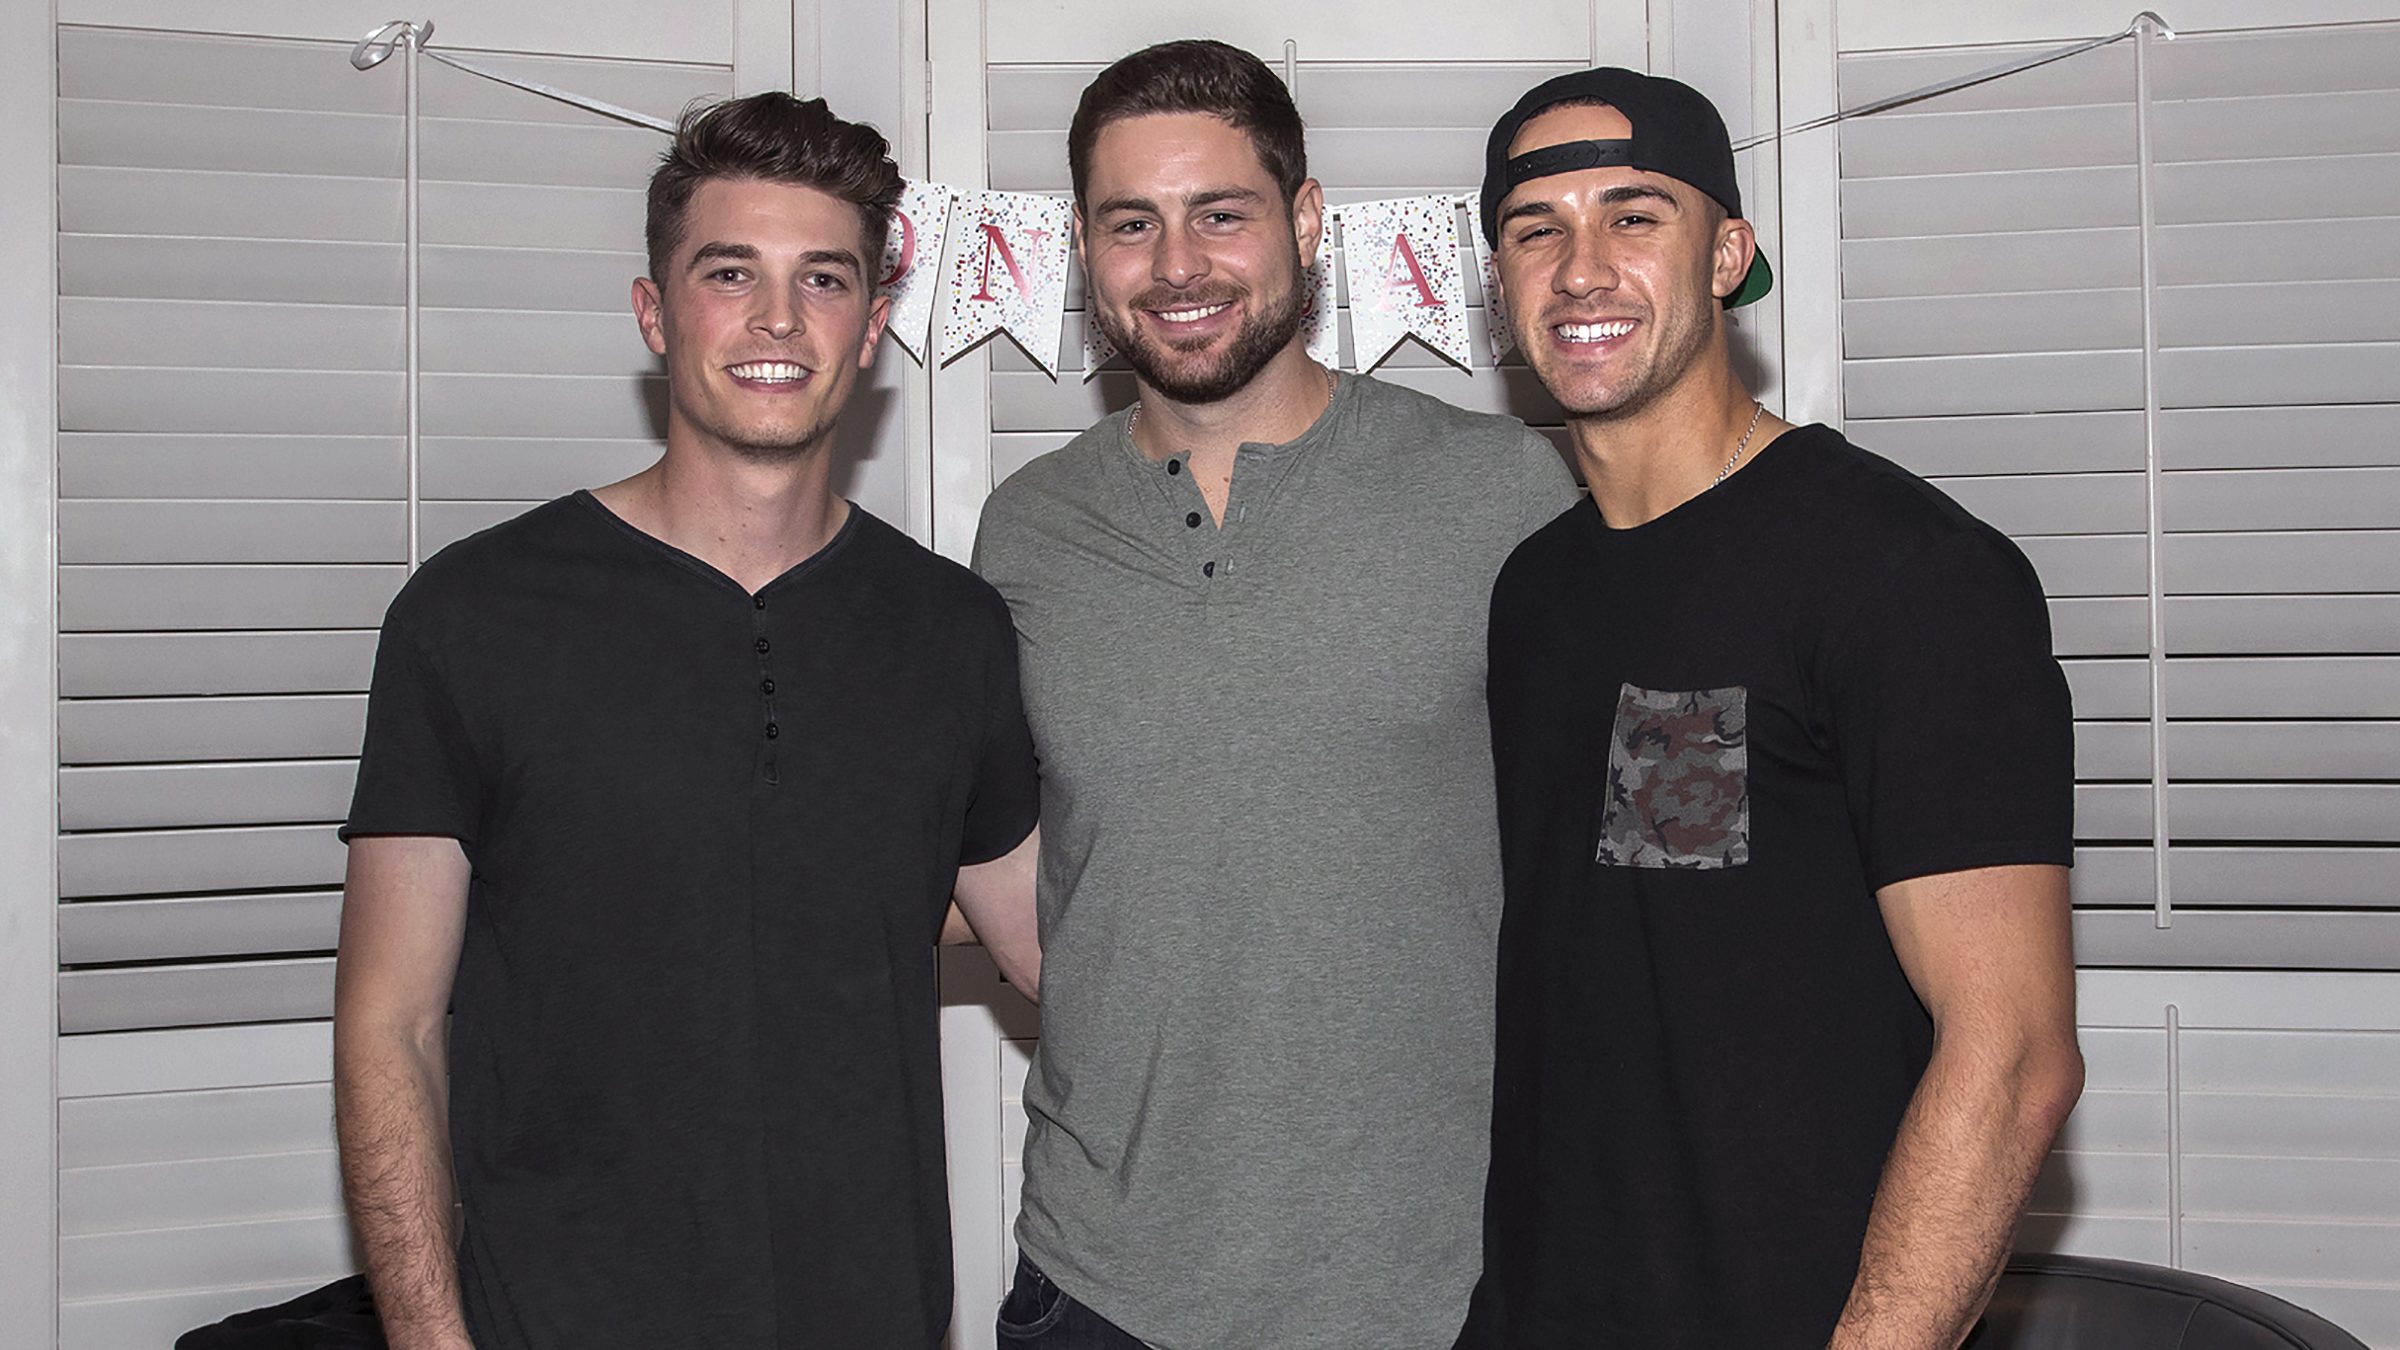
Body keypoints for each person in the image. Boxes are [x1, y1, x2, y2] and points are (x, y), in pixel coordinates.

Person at [331, 92, 1041, 1350]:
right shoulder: (473, 614)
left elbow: (1065, 953)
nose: (778, 319)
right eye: (731, 273)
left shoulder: (954, 631)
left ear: (873, 326)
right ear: (655, 312)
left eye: (825, 279)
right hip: (553, 1318)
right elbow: (389, 1028)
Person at [1454, 68, 2087, 1350]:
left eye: (1635, 215)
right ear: (1501, 284)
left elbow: (2013, 1054)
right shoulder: (1538, 592)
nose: (1581, 268)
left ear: (1728, 253)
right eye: (1537, 230)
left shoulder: (1903, 572)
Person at [970, 38, 1582, 1350]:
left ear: (1304, 221)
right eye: (1131, 223)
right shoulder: (1023, 533)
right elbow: (1037, 885)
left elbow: (1634, 850)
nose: (1176, 265)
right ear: (1086, 247)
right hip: (1102, 1283)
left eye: (1221, 213)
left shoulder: (1509, 492)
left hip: (1441, 1283)